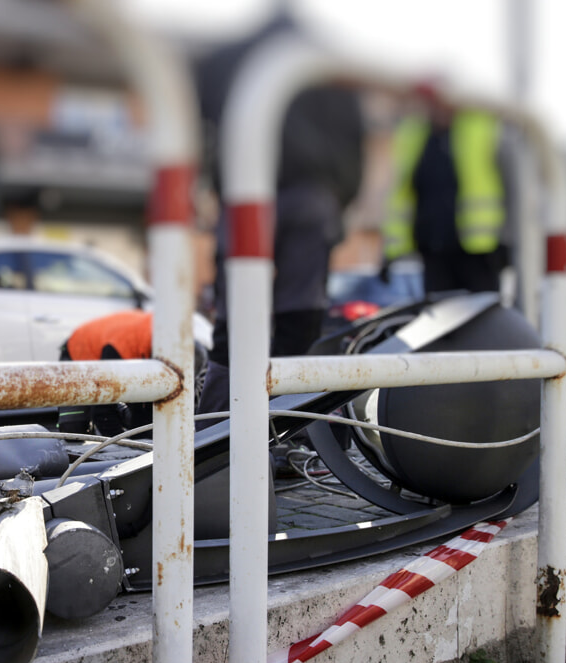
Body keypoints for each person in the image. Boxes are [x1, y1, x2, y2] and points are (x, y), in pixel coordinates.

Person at [194, 13, 365, 417]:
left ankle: (215, 436)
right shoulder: (330, 65)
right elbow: (354, 144)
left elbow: (203, 123)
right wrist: (337, 204)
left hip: (246, 196)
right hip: (311, 196)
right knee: (298, 319)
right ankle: (288, 430)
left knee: (235, 324)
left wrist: (214, 183)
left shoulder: (228, 58)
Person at [383, 101, 510, 294]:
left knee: (482, 316)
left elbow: (510, 187)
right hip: (431, 250)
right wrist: (390, 251)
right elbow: (401, 191)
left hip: (478, 252)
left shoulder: (480, 128)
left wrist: (508, 241)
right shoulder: (413, 133)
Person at [57, 310, 206, 438]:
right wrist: (120, 445)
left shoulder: (173, 340)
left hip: (127, 352)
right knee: (73, 429)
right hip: (77, 354)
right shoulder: (120, 347)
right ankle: (120, 412)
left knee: (143, 417)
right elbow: (102, 409)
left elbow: (149, 404)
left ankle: (125, 416)